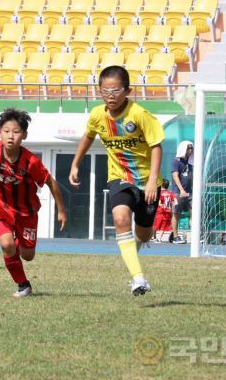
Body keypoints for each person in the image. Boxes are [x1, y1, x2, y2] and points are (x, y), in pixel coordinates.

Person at [69, 66, 164, 296]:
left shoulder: (139, 114)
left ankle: (139, 248)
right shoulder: (97, 116)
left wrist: (152, 180)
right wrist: (75, 163)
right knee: (120, 218)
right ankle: (138, 278)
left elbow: (156, 146)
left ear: (127, 91)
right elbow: (88, 136)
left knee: (144, 233)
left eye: (115, 90)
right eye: (105, 91)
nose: (110, 96)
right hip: (119, 177)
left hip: (147, 181)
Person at [0, 108, 67, 297]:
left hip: (27, 212)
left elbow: (50, 182)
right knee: (7, 245)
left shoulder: (31, 162)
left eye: (16, 132)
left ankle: (16, 243)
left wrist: (61, 210)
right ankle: (23, 285)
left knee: (27, 255)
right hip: (1, 207)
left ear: (24, 135)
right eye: (6, 131)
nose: (10, 136)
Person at [171, 140, 193, 244]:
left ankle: (195, 236)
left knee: (194, 213)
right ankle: (175, 237)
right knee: (176, 214)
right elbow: (175, 176)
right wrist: (182, 190)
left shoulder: (191, 162)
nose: (190, 150)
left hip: (190, 193)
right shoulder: (176, 162)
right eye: (188, 148)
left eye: (191, 148)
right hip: (178, 193)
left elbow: (192, 176)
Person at [153, 179, 175, 243]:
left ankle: (154, 237)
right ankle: (159, 238)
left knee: (156, 225)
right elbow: (175, 202)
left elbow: (159, 203)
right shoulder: (170, 193)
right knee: (163, 226)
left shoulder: (159, 193)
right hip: (167, 212)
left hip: (160, 211)